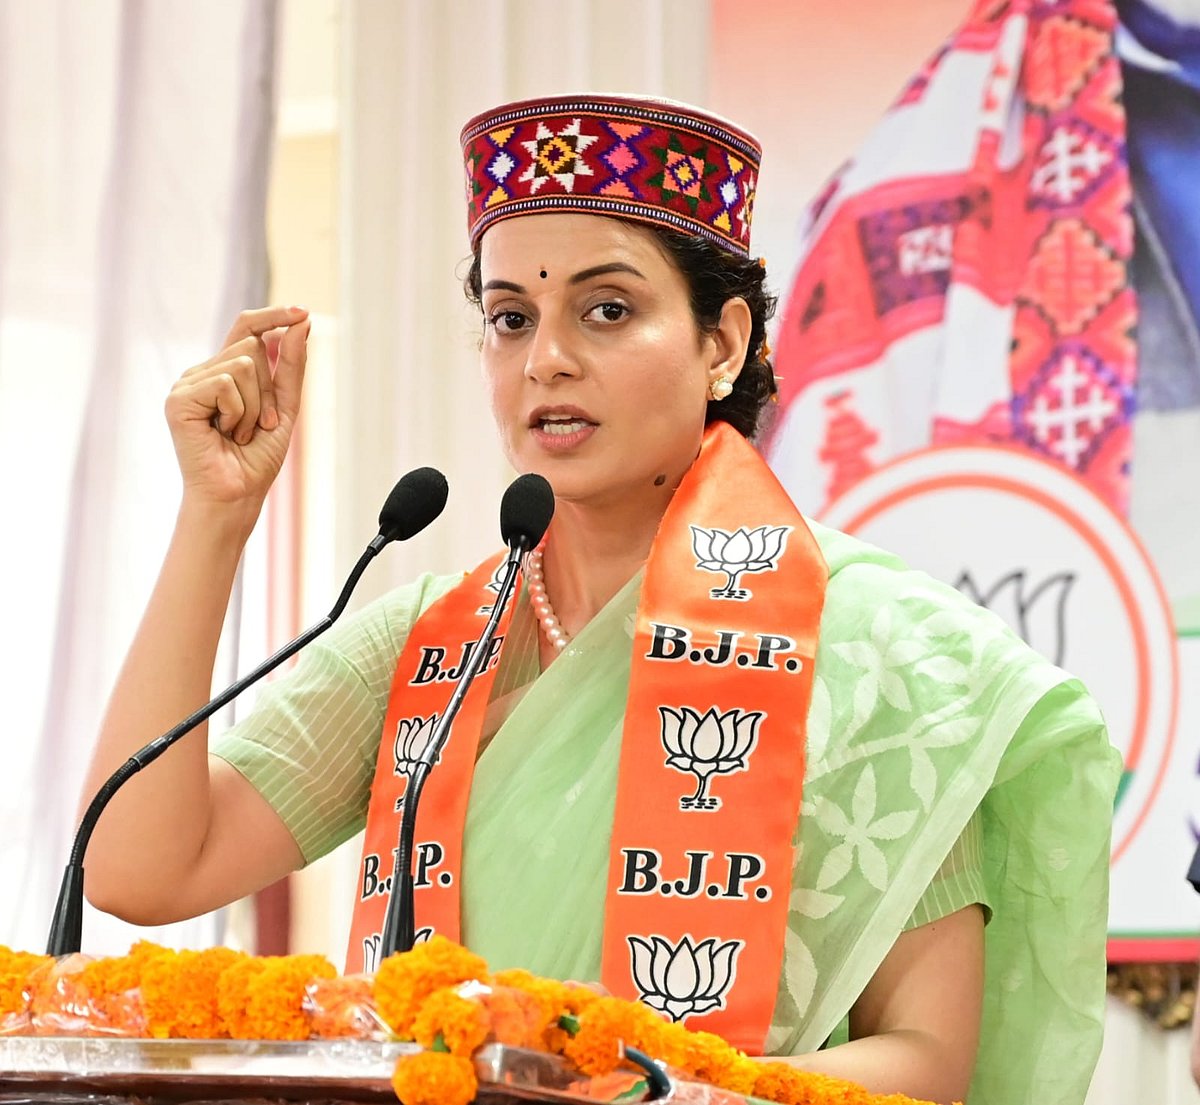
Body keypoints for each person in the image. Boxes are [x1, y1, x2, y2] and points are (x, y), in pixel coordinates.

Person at [82, 94, 1121, 1104]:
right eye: (510, 317)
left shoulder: (880, 651)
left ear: (722, 344)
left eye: (608, 310)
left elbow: (926, 1060)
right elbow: (139, 865)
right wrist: (216, 519)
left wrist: (623, 1091)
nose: (548, 360)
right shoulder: (432, 644)